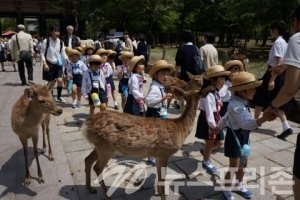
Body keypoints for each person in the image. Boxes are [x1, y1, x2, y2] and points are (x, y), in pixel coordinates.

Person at [217, 72, 276, 200]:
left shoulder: (242, 101)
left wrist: (218, 126)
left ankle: (239, 184)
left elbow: (226, 117)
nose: (255, 90)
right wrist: (263, 119)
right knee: (234, 166)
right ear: (243, 91)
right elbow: (246, 124)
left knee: (243, 163)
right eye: (252, 88)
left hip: (244, 136)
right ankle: (226, 190)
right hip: (235, 137)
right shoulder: (235, 105)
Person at [265, 5, 300, 199]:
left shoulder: (296, 38)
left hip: (283, 79)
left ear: (296, 20)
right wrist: (284, 66)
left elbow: (290, 89)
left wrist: (274, 106)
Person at [252, 20, 294, 140]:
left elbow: (279, 61)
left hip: (274, 73)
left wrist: (272, 79)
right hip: (280, 73)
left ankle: (256, 123)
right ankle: (285, 126)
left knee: (260, 98)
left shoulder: (278, 42)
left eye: (271, 30)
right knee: (270, 100)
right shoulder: (285, 42)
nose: (270, 32)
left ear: (275, 30)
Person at [195, 65, 230, 174]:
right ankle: (206, 161)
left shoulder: (214, 91)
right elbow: (209, 112)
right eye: (221, 79)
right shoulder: (208, 94)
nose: (223, 81)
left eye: (224, 78)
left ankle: (205, 151)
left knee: (219, 142)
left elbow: (216, 101)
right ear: (213, 80)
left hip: (215, 118)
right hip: (208, 120)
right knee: (210, 143)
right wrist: (213, 125)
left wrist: (218, 103)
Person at [145, 59, 174, 166]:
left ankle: (154, 155)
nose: (165, 76)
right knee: (153, 137)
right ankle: (150, 157)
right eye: (162, 74)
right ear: (156, 75)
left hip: (160, 113)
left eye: (166, 74)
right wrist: (162, 99)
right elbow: (148, 101)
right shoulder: (154, 87)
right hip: (154, 114)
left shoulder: (160, 86)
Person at [40, 25, 69, 102]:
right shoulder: (46, 41)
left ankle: (59, 96)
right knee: (51, 82)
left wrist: (67, 59)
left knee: (60, 80)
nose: (57, 33)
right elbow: (42, 53)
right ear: (51, 32)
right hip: (49, 63)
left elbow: (63, 53)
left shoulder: (60, 42)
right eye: (55, 31)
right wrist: (44, 63)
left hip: (58, 64)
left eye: (58, 31)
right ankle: (50, 96)